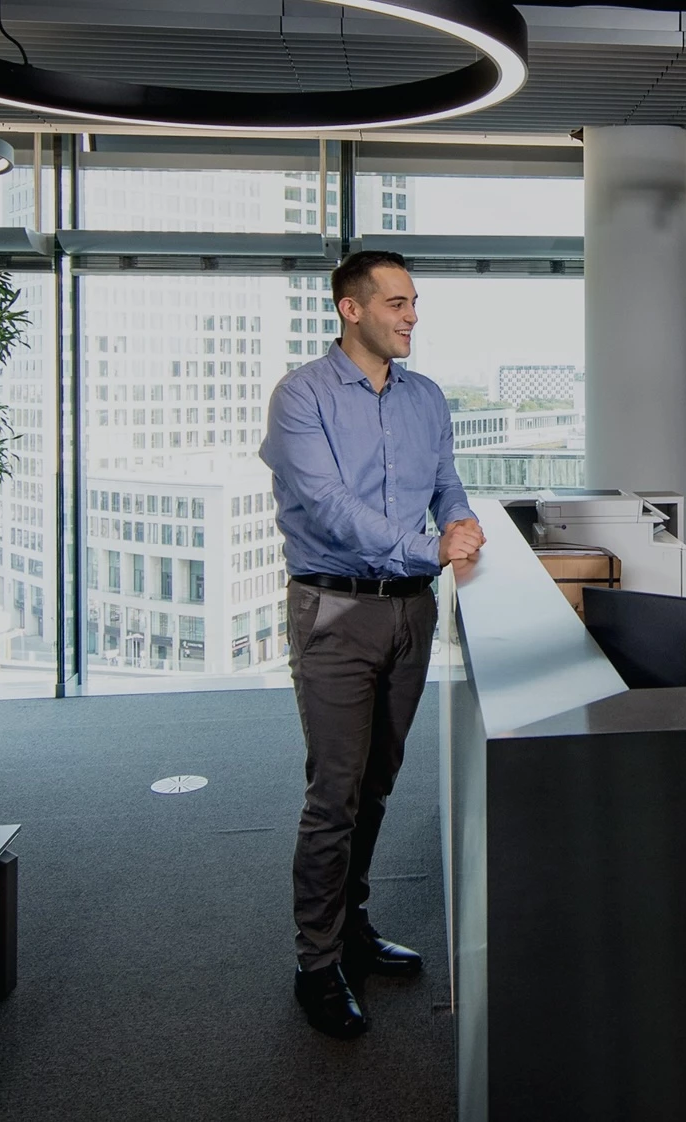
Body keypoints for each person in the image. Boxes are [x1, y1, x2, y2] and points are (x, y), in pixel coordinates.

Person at [259, 250, 485, 1039]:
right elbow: (329, 508)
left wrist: (461, 522)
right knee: (335, 795)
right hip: (335, 612)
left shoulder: (426, 398)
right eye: (396, 303)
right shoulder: (302, 396)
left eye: (414, 302)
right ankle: (316, 963)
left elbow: (445, 482)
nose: (411, 316)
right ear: (350, 309)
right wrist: (432, 547)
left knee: (377, 783)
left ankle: (351, 927)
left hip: (410, 613)